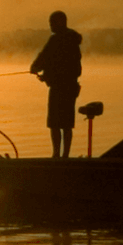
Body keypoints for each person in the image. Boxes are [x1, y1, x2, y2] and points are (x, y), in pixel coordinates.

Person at [30, 11, 83, 158]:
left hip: (59, 88)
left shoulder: (56, 40)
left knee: (54, 124)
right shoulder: (73, 40)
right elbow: (72, 68)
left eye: (52, 23)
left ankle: (56, 155)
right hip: (71, 87)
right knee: (66, 124)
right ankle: (65, 155)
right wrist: (46, 75)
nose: (50, 26)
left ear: (60, 22)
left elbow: (44, 58)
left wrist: (35, 69)